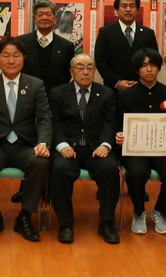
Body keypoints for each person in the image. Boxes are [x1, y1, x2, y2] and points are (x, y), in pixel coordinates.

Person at [0, 36, 52, 242]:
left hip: (25, 146)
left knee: (41, 162)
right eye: (6, 55)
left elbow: (44, 118)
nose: (11, 60)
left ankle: (24, 217)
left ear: (23, 58)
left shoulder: (35, 85)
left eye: (16, 55)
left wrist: (43, 143)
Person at [48, 54, 120, 244]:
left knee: (110, 169)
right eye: (80, 67)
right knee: (60, 169)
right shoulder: (57, 93)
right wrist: (62, 145)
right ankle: (65, 224)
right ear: (72, 72)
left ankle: (107, 222)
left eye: (90, 67)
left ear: (95, 71)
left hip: (96, 148)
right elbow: (53, 123)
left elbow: (110, 123)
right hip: (67, 148)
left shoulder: (106, 93)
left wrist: (105, 145)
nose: (85, 72)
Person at [115, 48, 166, 235]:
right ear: (137, 70)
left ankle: (161, 211)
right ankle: (138, 211)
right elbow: (117, 124)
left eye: (153, 65)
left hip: (163, 149)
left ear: (158, 68)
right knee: (136, 172)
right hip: (135, 150)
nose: (149, 69)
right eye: (144, 65)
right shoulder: (124, 95)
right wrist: (119, 135)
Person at [12, 0, 74, 202]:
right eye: (40, 14)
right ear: (33, 18)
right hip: (27, 101)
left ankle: (48, 189)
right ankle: (26, 188)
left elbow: (66, 77)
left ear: (55, 18)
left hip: (55, 103)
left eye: (49, 14)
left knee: (51, 142)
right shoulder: (21, 43)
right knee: (29, 141)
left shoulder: (66, 46)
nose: (44, 17)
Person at [94, 0, 159, 91]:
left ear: (137, 10)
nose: (128, 9)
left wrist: (143, 81)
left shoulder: (148, 33)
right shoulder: (106, 32)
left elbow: (154, 60)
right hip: (114, 89)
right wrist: (116, 82)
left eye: (132, 6)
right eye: (124, 6)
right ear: (116, 9)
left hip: (143, 87)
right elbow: (100, 60)